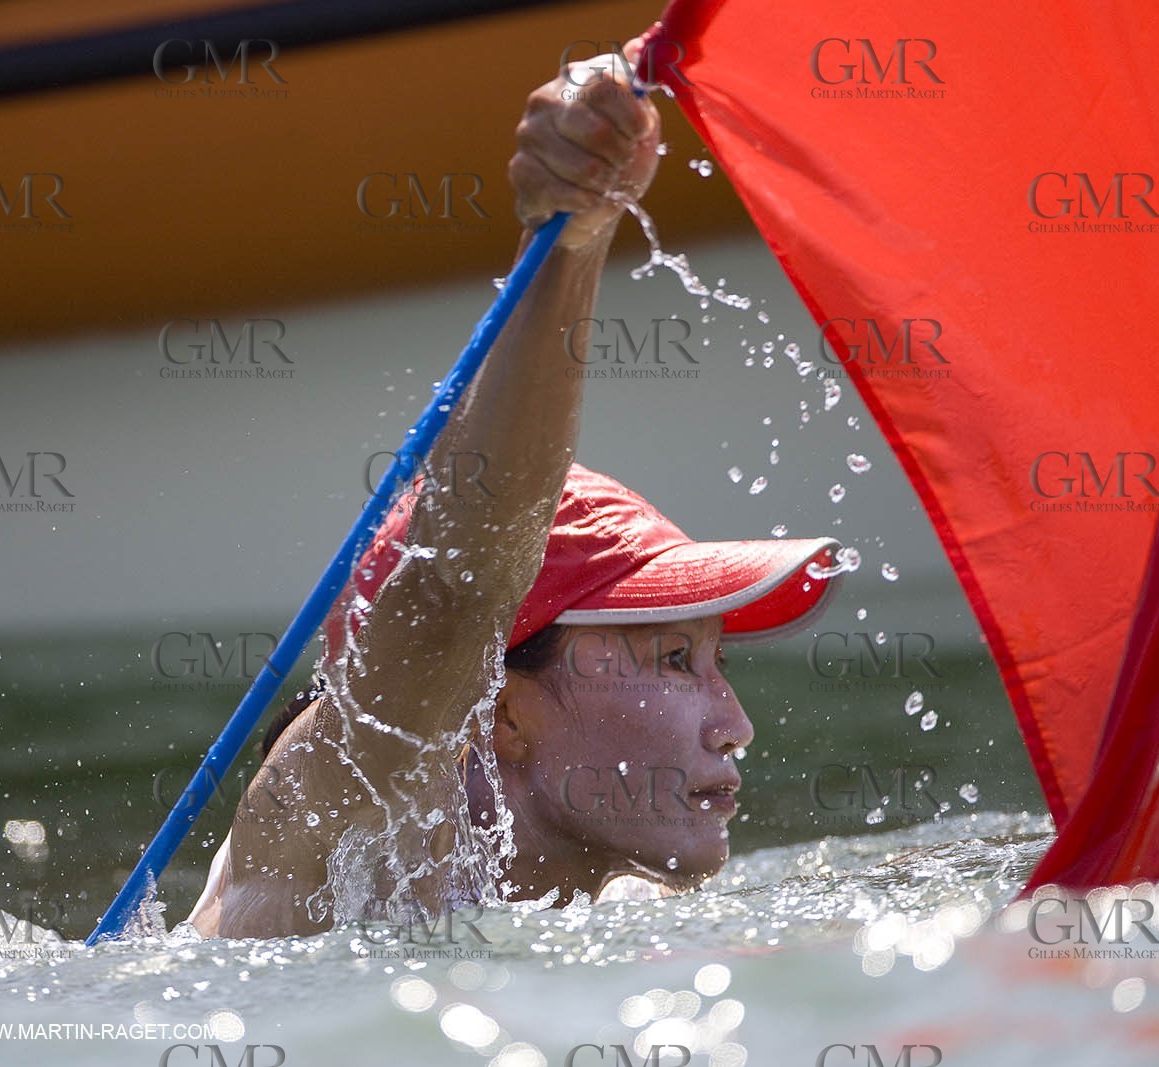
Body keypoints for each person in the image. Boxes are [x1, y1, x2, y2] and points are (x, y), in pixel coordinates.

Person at [187, 38, 841, 939]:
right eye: (676, 662)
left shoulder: (625, 908)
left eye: (715, 663)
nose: (736, 724)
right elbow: (459, 589)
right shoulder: (333, 832)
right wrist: (570, 240)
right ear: (499, 715)